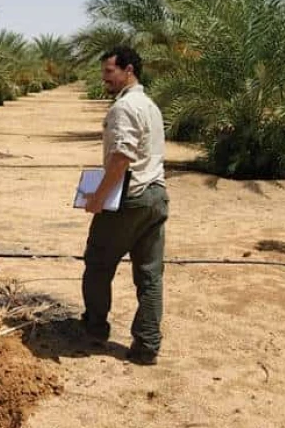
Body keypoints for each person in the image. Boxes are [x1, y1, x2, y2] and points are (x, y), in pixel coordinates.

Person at [80, 44, 168, 366]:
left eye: (109, 72)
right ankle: (146, 345)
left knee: (99, 263)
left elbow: (121, 160)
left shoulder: (124, 108)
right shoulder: (150, 105)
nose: (105, 78)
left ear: (128, 71)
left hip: (129, 199)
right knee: (149, 276)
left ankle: (94, 327)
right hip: (156, 196)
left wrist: (97, 198)